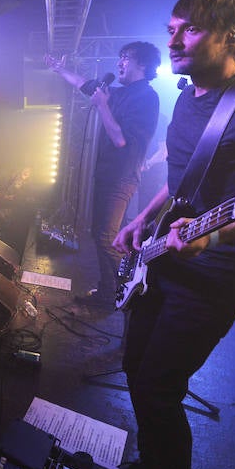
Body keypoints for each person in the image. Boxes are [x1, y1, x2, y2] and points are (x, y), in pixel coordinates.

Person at [109, 0, 235, 469]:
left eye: (190, 30)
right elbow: (182, 179)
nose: (174, 42)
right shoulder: (189, 98)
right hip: (162, 258)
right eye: (171, 30)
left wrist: (209, 240)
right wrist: (140, 219)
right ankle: (153, 465)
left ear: (234, 34)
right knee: (134, 367)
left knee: (159, 386)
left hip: (210, 278)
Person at [48, 41, 161, 301]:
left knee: (105, 235)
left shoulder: (146, 96)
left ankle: (136, 286)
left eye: (126, 57)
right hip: (106, 174)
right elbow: (85, 84)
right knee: (98, 233)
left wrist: (102, 105)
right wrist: (59, 70)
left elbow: (121, 140)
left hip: (122, 176)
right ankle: (108, 292)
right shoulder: (120, 93)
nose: (119, 62)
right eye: (119, 57)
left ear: (142, 64)